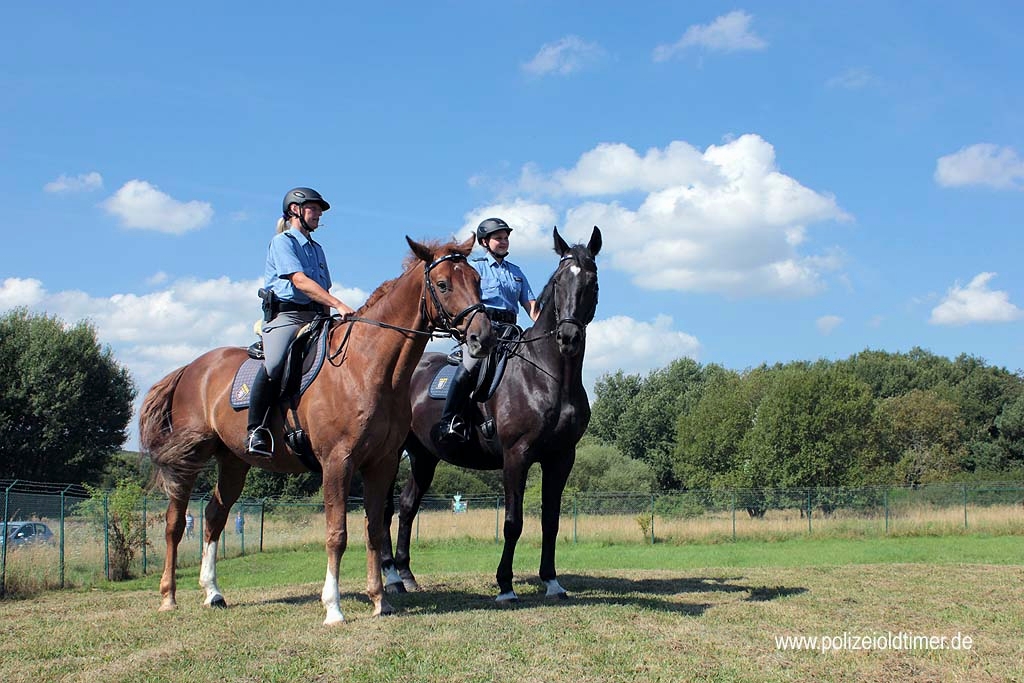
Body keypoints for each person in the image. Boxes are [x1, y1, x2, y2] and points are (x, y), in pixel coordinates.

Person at [245, 187, 355, 457]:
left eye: (319, 210)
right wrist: (338, 304)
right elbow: (300, 281)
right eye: (313, 208)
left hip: (317, 316)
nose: (318, 214)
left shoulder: (317, 249)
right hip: (287, 317)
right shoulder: (283, 242)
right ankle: (256, 430)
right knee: (274, 363)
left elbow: (323, 286)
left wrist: (332, 314)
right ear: (295, 210)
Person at [436, 217, 538, 443]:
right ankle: (449, 420)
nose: (503, 242)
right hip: (483, 330)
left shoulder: (517, 273)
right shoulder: (475, 269)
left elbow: (531, 307)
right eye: (498, 238)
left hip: (512, 330)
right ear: (484, 242)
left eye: (505, 238)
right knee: (470, 367)